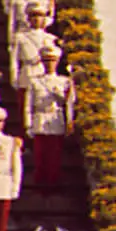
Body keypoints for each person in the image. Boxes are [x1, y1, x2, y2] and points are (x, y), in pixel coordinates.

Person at [25, 42, 76, 190]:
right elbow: (29, 104)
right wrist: (28, 122)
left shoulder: (64, 81)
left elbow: (69, 104)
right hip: (40, 117)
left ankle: (53, 181)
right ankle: (40, 182)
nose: (50, 64)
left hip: (56, 117)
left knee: (54, 154)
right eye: (46, 61)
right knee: (40, 154)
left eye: (52, 61)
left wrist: (69, 121)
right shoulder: (35, 81)